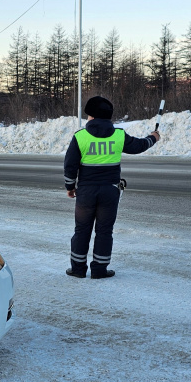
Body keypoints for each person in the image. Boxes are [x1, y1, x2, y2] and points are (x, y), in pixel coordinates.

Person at [64, 96, 160, 279]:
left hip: (86, 192)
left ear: (92, 116)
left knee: (82, 230)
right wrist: (153, 138)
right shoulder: (119, 135)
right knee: (104, 231)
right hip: (110, 192)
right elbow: (139, 146)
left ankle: (78, 269)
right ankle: (99, 270)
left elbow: (70, 165)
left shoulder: (80, 136)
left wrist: (70, 186)